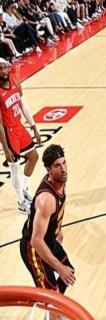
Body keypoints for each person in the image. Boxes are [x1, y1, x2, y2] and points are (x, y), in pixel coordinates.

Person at [19, 144, 78, 320]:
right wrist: (58, 267)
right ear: (48, 169)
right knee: (53, 301)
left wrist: (58, 228)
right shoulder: (46, 199)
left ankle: (54, 314)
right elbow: (36, 240)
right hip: (35, 248)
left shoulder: (60, 182)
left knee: (69, 272)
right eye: (57, 166)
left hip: (48, 238)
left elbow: (56, 214)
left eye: (64, 163)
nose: (63, 169)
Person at [0, 58, 41, 214]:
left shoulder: (15, 82)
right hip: (9, 131)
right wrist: (6, 149)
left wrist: (33, 126)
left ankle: (23, 189)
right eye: (0, 69)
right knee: (15, 166)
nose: (3, 71)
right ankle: (20, 202)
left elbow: (23, 105)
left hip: (19, 126)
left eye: (4, 67)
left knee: (33, 156)